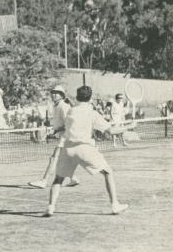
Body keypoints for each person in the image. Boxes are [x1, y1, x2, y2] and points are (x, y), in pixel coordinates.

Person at [44, 85, 135, 217]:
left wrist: (56, 130)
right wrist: (129, 126)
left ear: (77, 97)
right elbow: (111, 131)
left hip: (68, 148)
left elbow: (65, 125)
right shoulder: (93, 113)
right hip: (84, 148)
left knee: (58, 179)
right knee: (108, 172)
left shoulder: (71, 111)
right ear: (90, 98)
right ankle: (115, 205)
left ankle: (50, 207)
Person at [28, 86, 80, 188]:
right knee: (63, 161)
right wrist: (54, 129)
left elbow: (69, 124)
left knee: (53, 159)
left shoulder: (63, 106)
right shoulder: (56, 106)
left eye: (57, 93)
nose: (54, 95)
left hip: (67, 137)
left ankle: (44, 181)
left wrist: (55, 130)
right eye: (53, 93)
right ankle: (73, 179)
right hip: (65, 136)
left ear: (61, 96)